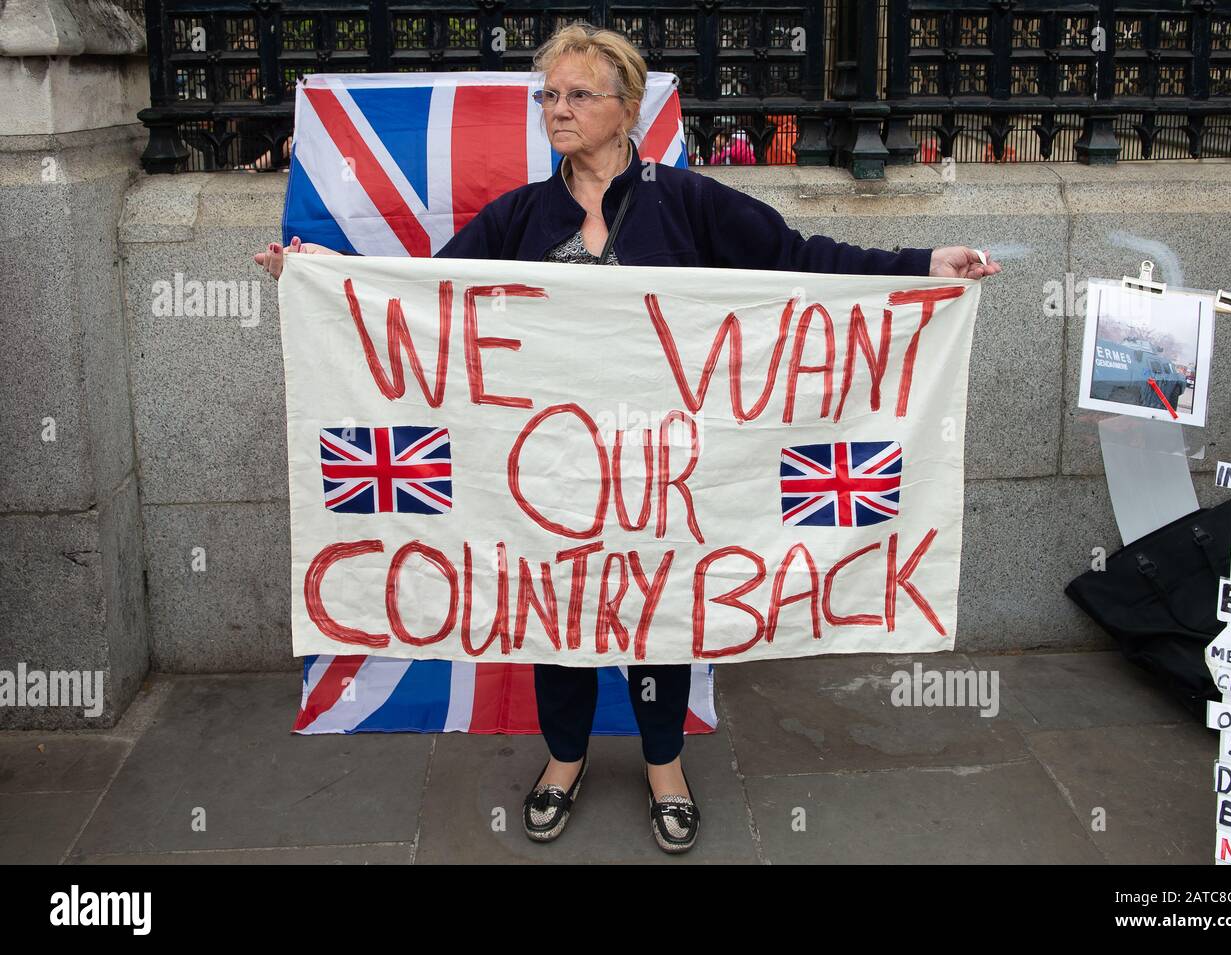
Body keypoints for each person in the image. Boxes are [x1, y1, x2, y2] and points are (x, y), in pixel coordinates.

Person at [255, 22, 1002, 855]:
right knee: (557, 619)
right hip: (546, 471)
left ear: (627, 107)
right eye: (550, 96)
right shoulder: (519, 217)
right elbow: (424, 302)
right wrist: (318, 278)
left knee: (659, 615)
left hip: (660, 473)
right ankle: (564, 761)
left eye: (578, 95)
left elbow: (799, 259)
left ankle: (665, 766)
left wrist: (919, 264)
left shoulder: (687, 203)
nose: (558, 110)